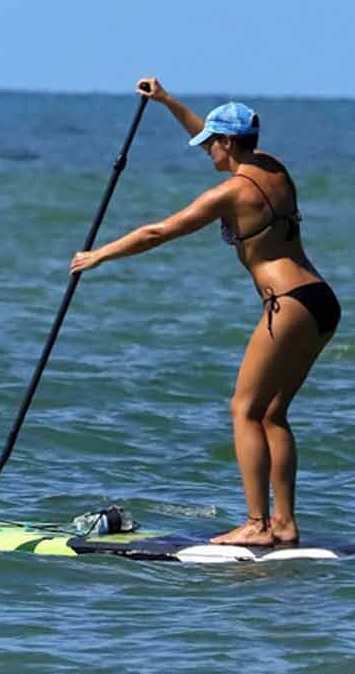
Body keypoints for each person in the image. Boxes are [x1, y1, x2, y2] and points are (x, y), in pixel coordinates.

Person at [69, 78, 340, 546]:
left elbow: (159, 232)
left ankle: (256, 525)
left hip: (287, 304)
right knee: (274, 414)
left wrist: (99, 256)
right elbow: (220, 145)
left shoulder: (230, 194)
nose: (204, 150)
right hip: (321, 300)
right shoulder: (273, 168)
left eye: (210, 143)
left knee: (244, 410)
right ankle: (285, 524)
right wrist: (167, 101)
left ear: (229, 143)